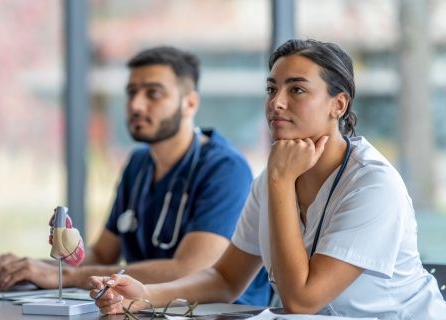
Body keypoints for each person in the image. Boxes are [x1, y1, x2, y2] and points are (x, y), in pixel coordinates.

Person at [88, 39, 446, 319]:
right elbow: (226, 279)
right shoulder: (272, 177)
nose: (276, 103)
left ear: (338, 105)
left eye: (297, 90)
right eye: (272, 89)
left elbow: (302, 300)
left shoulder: (371, 185)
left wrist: (279, 181)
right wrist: (145, 295)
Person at [0, 46, 272, 306]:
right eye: (131, 92)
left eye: (153, 93)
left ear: (190, 103)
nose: (135, 105)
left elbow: (190, 269)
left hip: (218, 313)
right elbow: (102, 255)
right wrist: (32, 269)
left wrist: (65, 277)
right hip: (141, 308)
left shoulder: (224, 168)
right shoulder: (138, 163)